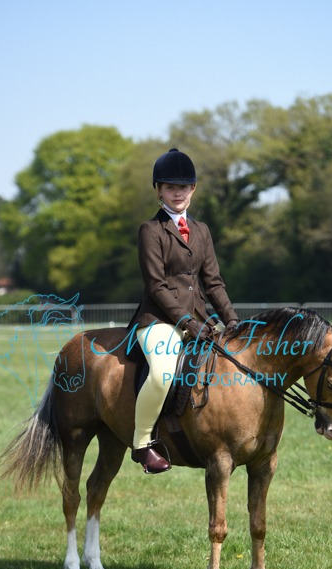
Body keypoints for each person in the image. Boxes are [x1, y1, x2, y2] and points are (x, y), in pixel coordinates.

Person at [130, 148, 239, 474]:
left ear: (193, 189)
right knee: (163, 373)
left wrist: (232, 320)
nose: (177, 193)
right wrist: (188, 322)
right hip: (159, 321)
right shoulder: (151, 230)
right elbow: (156, 286)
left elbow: (213, 282)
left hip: (200, 320)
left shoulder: (201, 230)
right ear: (159, 190)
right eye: (170, 187)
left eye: (183, 187)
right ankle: (142, 444)